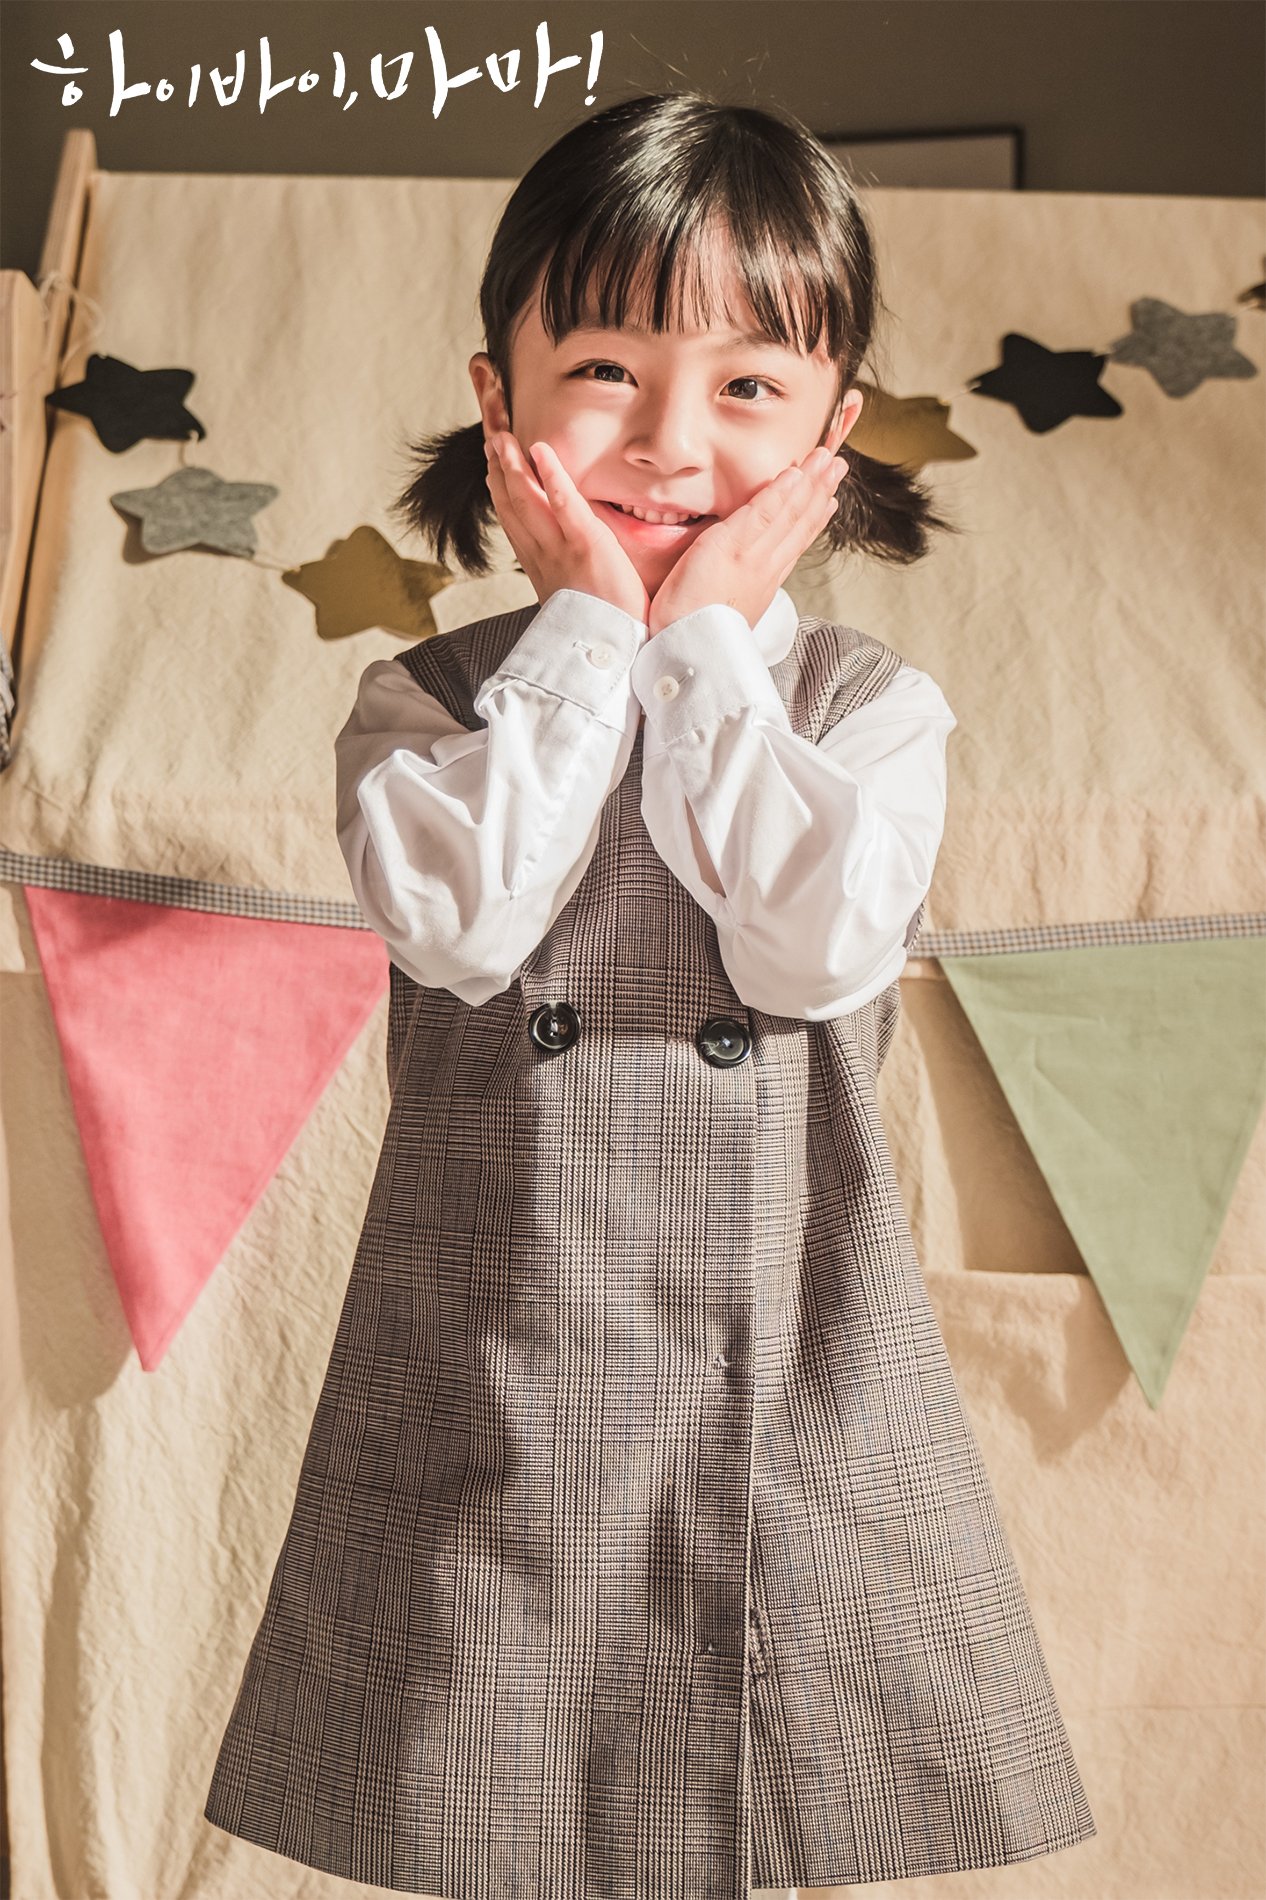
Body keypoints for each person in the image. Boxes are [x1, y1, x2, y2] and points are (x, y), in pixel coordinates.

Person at [204, 90, 1096, 1900]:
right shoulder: (429, 704)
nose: (670, 442)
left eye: (747, 386)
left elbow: (806, 949)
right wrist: (595, 633)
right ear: (499, 398)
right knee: (493, 1816)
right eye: (605, 368)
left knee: (758, 1810)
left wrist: (695, 653)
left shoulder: (871, 713)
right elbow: (462, 924)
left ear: (833, 433)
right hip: (498, 1354)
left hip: (789, 1350)